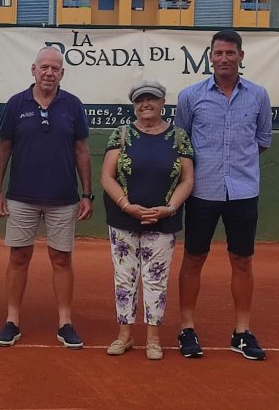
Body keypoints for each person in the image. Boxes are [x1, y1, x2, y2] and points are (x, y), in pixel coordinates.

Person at [174, 29, 272, 361]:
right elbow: (182, 144)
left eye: (231, 53)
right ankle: (187, 328)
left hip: (244, 192)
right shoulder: (190, 96)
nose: (225, 58)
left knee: (242, 260)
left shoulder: (258, 96)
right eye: (219, 53)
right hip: (201, 192)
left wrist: (237, 168)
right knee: (193, 258)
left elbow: (260, 141)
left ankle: (241, 332)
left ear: (241, 57)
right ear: (210, 57)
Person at [0, 46, 93, 349]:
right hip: (22, 196)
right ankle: (12, 320)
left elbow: (82, 151)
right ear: (33, 70)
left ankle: (65, 322)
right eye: (44, 67)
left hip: (64, 198)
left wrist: (86, 194)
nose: (49, 73)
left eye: (55, 68)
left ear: (62, 73)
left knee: (61, 259)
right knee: (18, 257)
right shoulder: (16, 103)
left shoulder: (72, 105)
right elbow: (4, 149)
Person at [101, 80, 194, 360]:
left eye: (151, 99)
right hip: (123, 220)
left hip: (163, 221)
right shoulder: (121, 134)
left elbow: (188, 179)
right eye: (140, 100)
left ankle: (153, 339)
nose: (145, 105)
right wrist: (126, 206)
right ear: (134, 105)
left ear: (162, 103)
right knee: (125, 277)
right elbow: (107, 176)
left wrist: (169, 208)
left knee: (155, 279)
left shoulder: (179, 137)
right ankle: (124, 336)